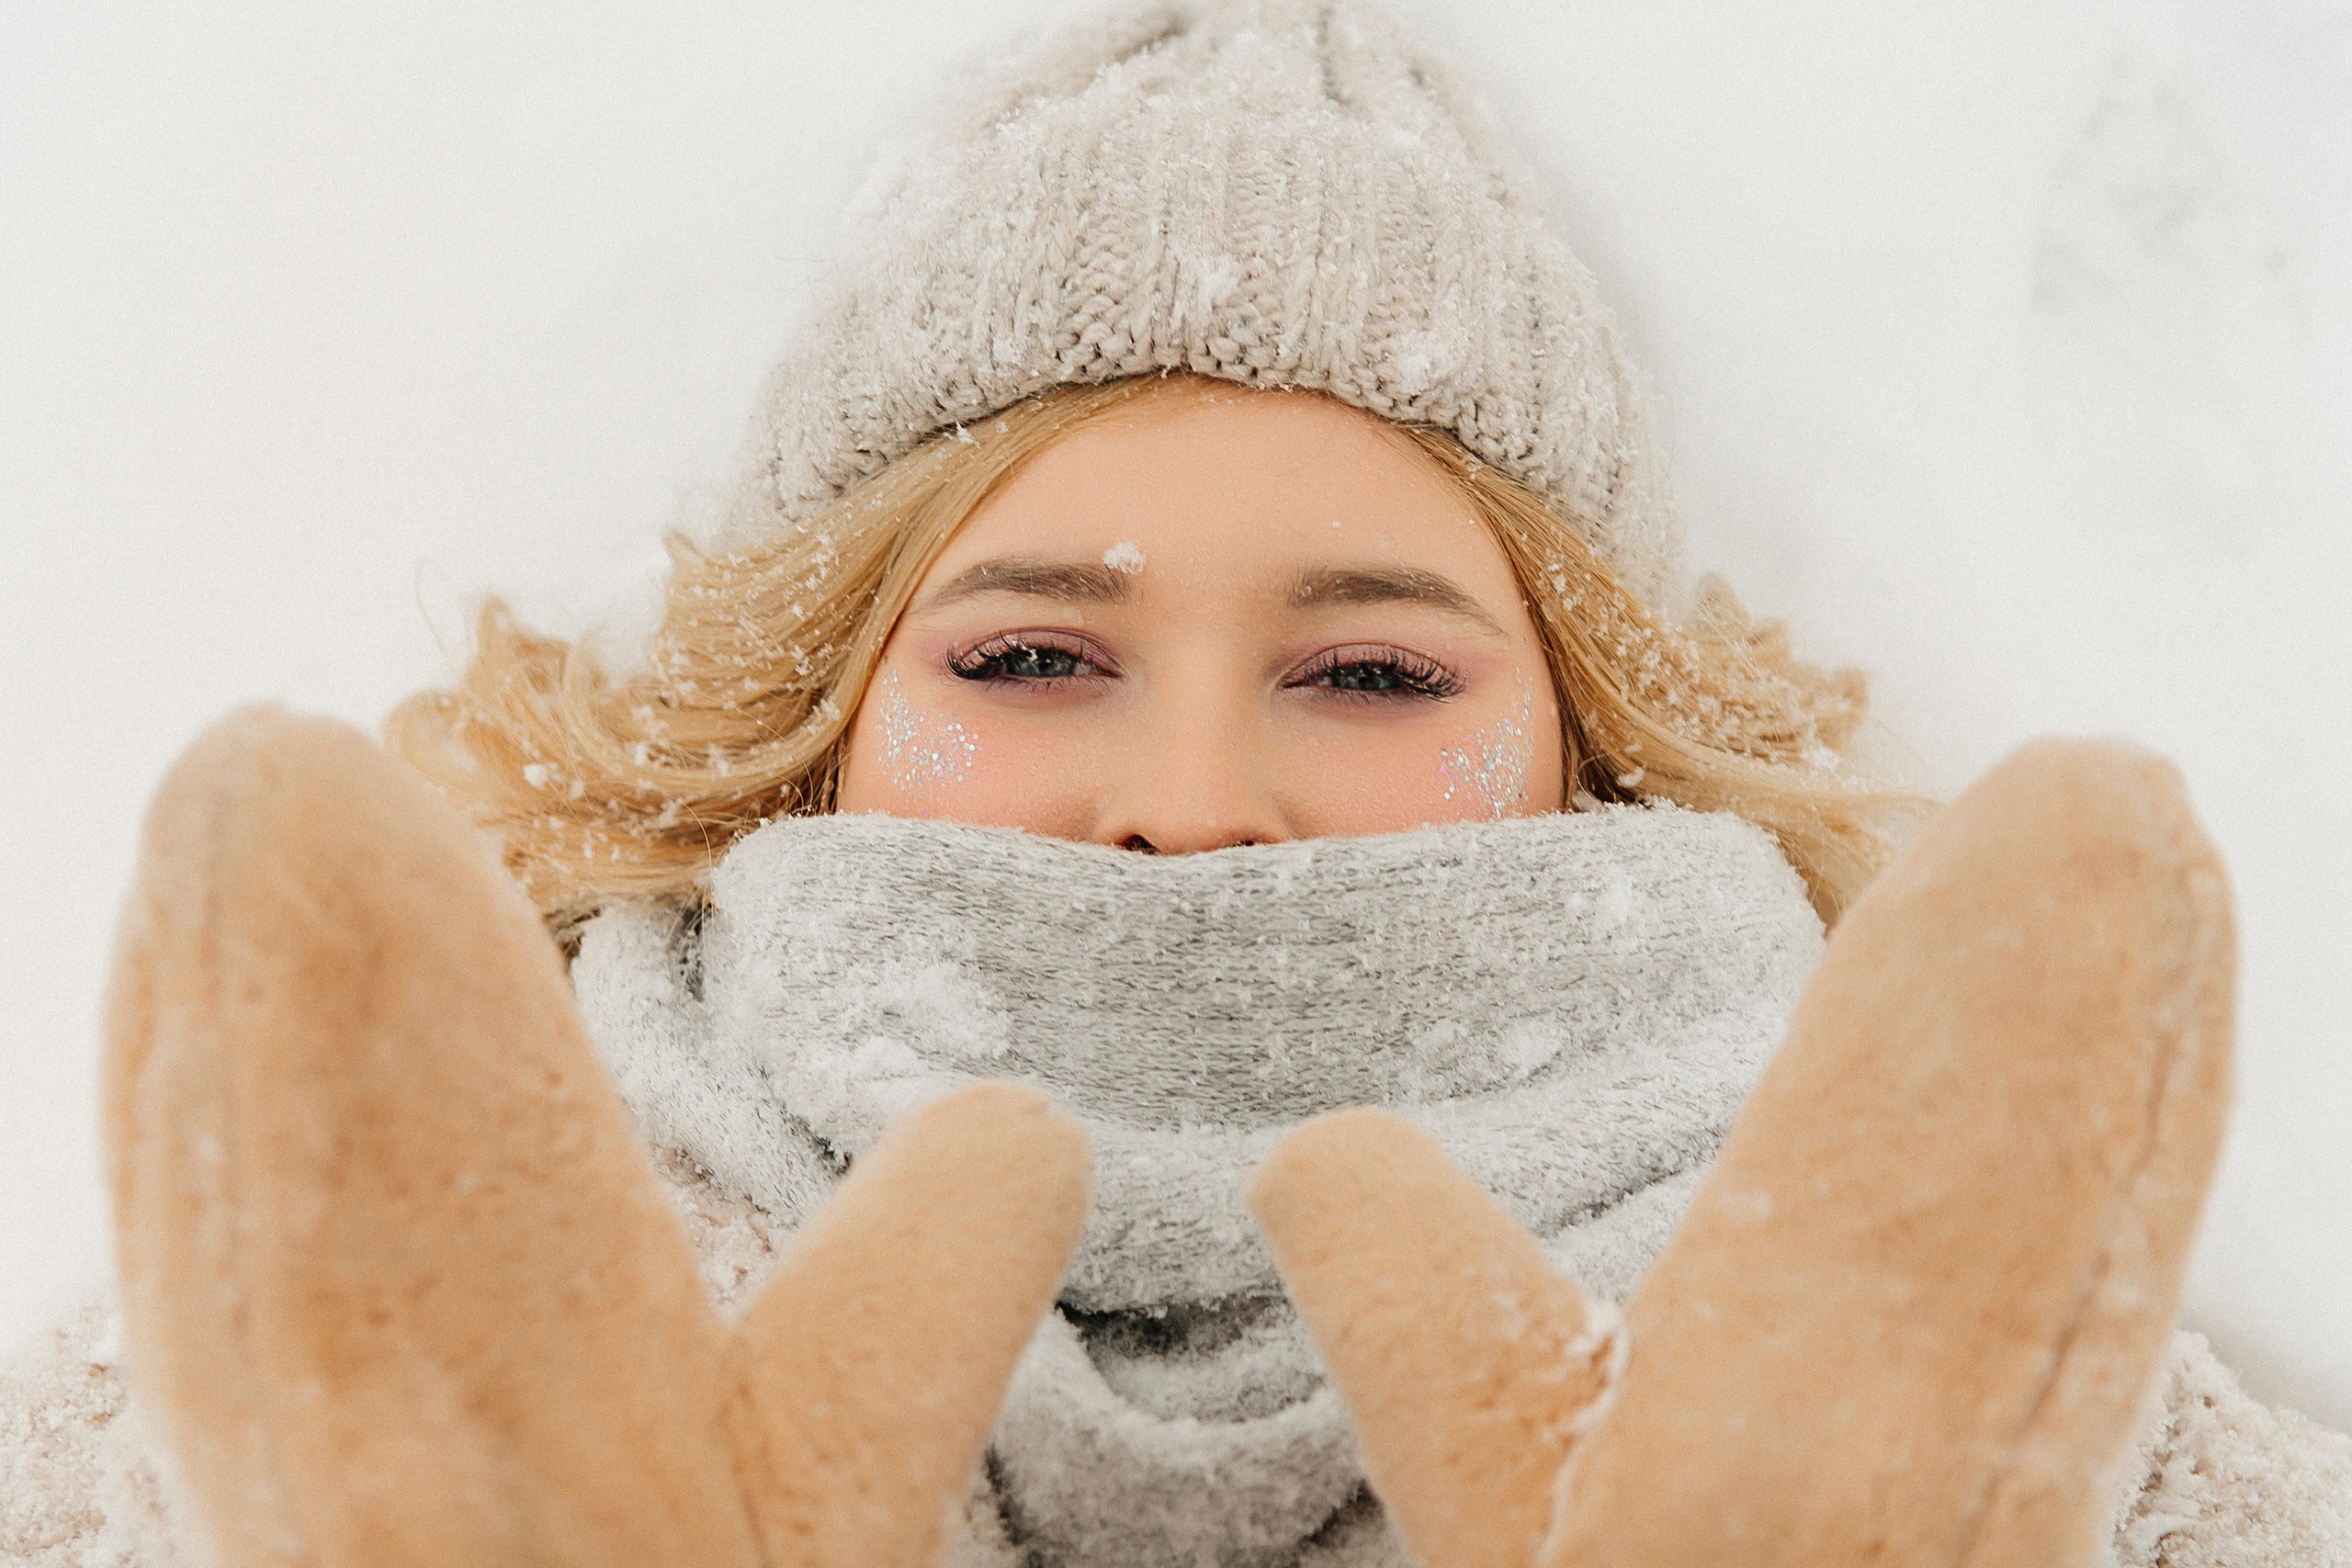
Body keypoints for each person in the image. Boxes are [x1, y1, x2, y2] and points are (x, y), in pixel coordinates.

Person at [5, 4, 2344, 1565]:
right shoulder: (461, 1262)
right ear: (822, 716)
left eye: (1364, 665)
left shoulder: (1906, 1293)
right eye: (1029, 651)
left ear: (1583, 751)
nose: (1191, 795)